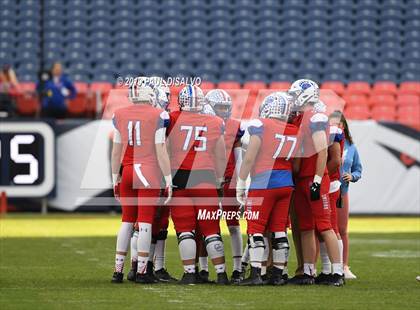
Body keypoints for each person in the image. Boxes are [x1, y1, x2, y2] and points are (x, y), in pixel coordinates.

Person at [110, 77, 173, 284]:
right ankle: (142, 271)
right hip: (147, 172)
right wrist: (168, 177)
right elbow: (160, 149)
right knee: (145, 222)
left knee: (127, 221)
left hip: (127, 170)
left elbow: (116, 150)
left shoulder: (119, 114)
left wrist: (114, 177)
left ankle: (118, 271)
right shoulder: (158, 114)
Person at [167, 84, 229, 285]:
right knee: (211, 229)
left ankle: (190, 273)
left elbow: (165, 149)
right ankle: (221, 274)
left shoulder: (172, 118)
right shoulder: (214, 121)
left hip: (181, 178)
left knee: (185, 230)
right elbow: (221, 155)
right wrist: (219, 180)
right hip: (206, 178)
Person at [236, 92, 298, 285]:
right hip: (286, 183)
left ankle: (256, 274)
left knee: (255, 228)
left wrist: (240, 182)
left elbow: (249, 157)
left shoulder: (261, 124)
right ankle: (278, 275)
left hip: (264, 183)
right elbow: (295, 162)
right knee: (279, 230)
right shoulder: (293, 129)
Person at [288, 79, 344, 286]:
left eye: (295, 95)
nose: (292, 99)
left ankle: (337, 273)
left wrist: (318, 179)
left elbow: (321, 151)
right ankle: (307, 272)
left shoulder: (316, 117)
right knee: (305, 227)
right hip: (302, 178)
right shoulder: (299, 118)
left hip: (314, 178)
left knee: (325, 226)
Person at [206, 89, 245, 284]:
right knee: (205, 225)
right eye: (220, 107)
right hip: (205, 181)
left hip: (228, 180)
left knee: (233, 225)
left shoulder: (234, 126)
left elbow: (239, 158)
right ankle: (204, 269)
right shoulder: (201, 123)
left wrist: (240, 182)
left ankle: (238, 269)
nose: (223, 111)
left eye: (225, 107)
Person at [337, 112, 362, 279]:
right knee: (320, 230)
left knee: (342, 230)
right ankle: (316, 267)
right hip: (326, 191)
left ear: (344, 126)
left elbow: (358, 169)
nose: (336, 127)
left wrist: (352, 176)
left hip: (342, 192)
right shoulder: (324, 143)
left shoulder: (351, 147)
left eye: (339, 124)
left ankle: (344, 266)